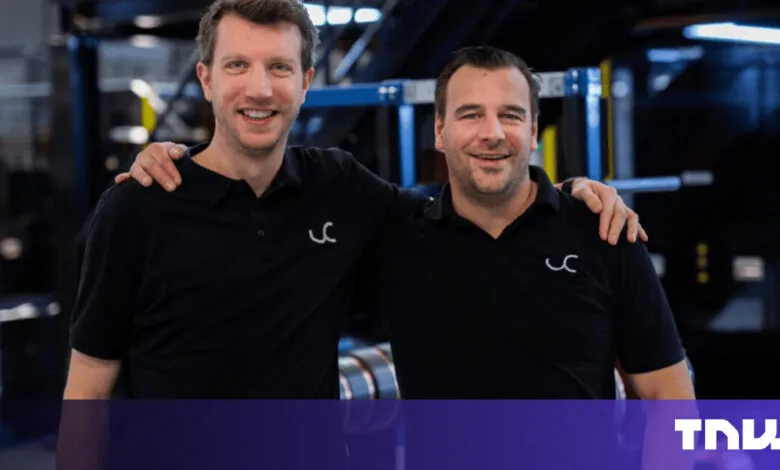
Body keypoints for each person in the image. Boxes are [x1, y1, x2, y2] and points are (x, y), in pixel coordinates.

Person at [64, 0, 643, 400]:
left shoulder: (341, 188)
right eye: (238, 65)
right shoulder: (137, 208)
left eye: (279, 68)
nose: (260, 88)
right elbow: (87, 388)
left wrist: (568, 196)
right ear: (207, 78)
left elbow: (468, 207)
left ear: (307, 82)